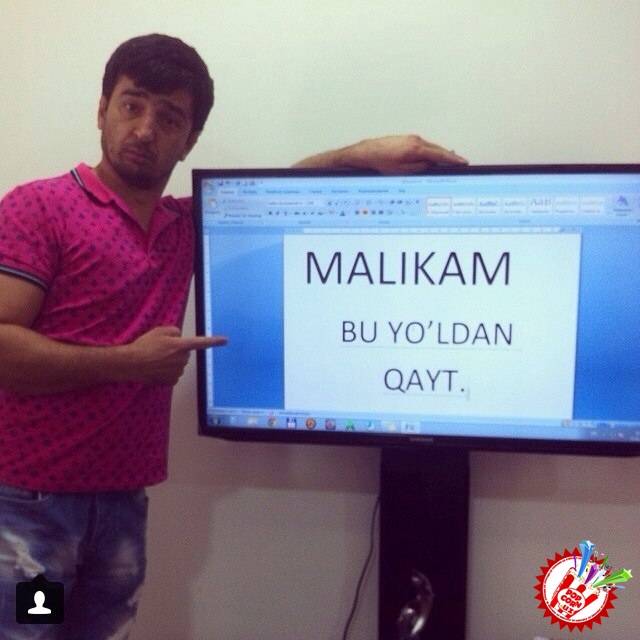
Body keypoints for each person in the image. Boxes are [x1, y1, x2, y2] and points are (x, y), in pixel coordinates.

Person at [0, 33, 466, 640]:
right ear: (102, 108)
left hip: (120, 502)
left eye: (169, 118)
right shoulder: (39, 208)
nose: (145, 129)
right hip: (34, 510)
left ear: (190, 139)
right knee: (30, 634)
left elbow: (266, 195)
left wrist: (358, 155)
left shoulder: (181, 225)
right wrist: (129, 363)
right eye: (132, 105)